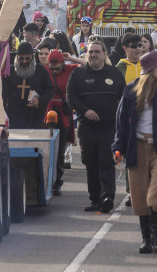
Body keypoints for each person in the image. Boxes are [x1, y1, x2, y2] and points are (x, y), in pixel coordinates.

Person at [113, 51, 157, 254]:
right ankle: (148, 239)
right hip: (138, 145)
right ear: (149, 69)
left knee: (155, 192)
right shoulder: (131, 89)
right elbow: (122, 120)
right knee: (140, 195)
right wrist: (118, 146)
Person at [66, 40, 125, 213]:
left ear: (104, 54)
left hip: (109, 127)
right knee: (90, 163)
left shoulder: (114, 73)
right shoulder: (78, 74)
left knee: (106, 162)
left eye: (97, 52)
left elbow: (124, 98)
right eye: (90, 52)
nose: (93, 55)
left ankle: (107, 197)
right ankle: (95, 200)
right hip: (87, 127)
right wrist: (85, 111)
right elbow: (71, 97)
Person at [44, 49, 77, 194]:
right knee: (47, 147)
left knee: (60, 149)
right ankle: (46, 180)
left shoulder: (70, 69)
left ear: (63, 63)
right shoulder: (44, 70)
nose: (54, 70)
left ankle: (57, 181)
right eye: (52, 67)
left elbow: (88, 64)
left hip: (64, 112)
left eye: (57, 68)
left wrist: (72, 58)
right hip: (47, 111)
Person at [2, 42, 54, 129]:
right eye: (21, 58)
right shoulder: (10, 71)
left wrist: (39, 101)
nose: (24, 61)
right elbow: (3, 93)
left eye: (27, 58)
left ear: (33, 57)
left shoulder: (41, 71)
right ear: (17, 57)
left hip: (35, 116)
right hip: (14, 115)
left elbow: (50, 91)